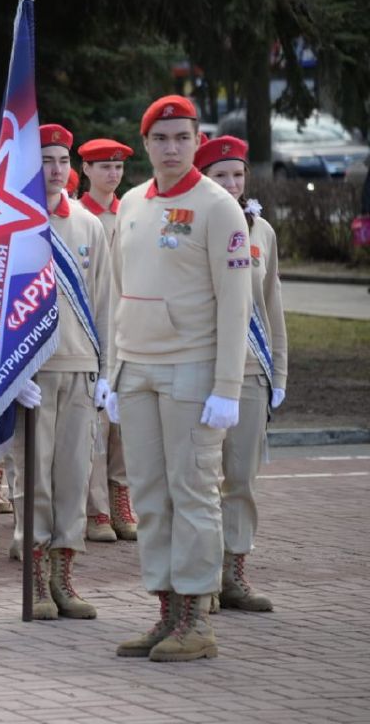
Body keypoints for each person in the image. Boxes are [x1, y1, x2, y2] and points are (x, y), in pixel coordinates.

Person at [109, 95, 251, 662]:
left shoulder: (219, 207)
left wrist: (227, 387)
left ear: (197, 141)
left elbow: (236, 304)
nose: (171, 148)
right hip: (136, 366)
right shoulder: (132, 204)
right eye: (161, 138)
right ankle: (166, 612)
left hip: (192, 369)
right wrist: (113, 370)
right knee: (149, 495)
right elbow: (120, 289)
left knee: (193, 493)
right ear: (145, 143)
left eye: (182, 138)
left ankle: (196, 617)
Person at [10, 124, 111, 621]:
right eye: (45, 160)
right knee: (35, 481)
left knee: (73, 476)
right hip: (32, 376)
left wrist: (106, 369)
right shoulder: (11, 225)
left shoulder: (89, 225)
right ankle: (35, 580)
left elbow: (106, 302)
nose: (54, 170)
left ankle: (63, 577)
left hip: (80, 368)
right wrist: (9, 372)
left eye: (62, 161)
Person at [195, 135, 287, 612]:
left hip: (251, 370)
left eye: (237, 174)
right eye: (220, 175)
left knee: (240, 479)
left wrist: (280, 373)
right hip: (199, 367)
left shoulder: (263, 232)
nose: (231, 184)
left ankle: (234, 572)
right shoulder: (192, 224)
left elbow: (272, 305)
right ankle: (202, 576)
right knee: (200, 477)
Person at [76, 137, 139, 543]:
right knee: (94, 425)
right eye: (103, 167)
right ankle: (96, 507)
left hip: (130, 328)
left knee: (126, 425)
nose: (112, 174)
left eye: (117, 167)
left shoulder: (132, 214)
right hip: (94, 329)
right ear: (85, 170)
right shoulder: (78, 216)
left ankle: (122, 500)